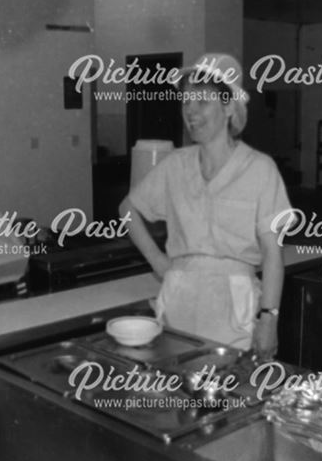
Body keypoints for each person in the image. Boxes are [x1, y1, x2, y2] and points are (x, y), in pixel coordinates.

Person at [121, 53, 293, 357]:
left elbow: (272, 254)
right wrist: (159, 263)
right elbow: (128, 210)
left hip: (232, 305)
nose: (190, 111)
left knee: (228, 396)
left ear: (228, 106)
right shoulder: (175, 165)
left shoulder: (259, 169)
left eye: (202, 101)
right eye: (186, 101)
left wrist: (270, 318)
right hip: (179, 302)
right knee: (178, 392)